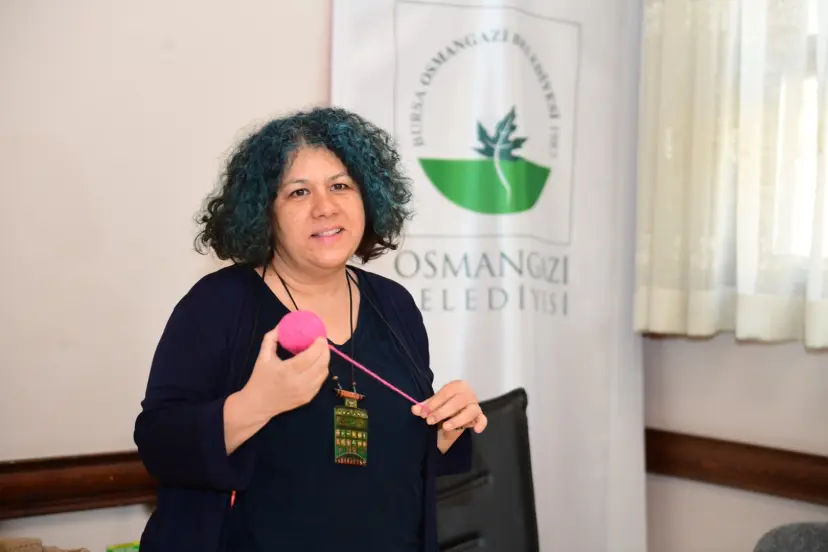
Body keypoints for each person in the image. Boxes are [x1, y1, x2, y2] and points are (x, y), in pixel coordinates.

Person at [133, 106, 488, 552]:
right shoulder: (219, 303)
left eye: (340, 186)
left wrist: (443, 431)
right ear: (264, 212)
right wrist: (256, 404)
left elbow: (384, 463)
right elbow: (159, 445)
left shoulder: (394, 304)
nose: (325, 207)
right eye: (298, 192)